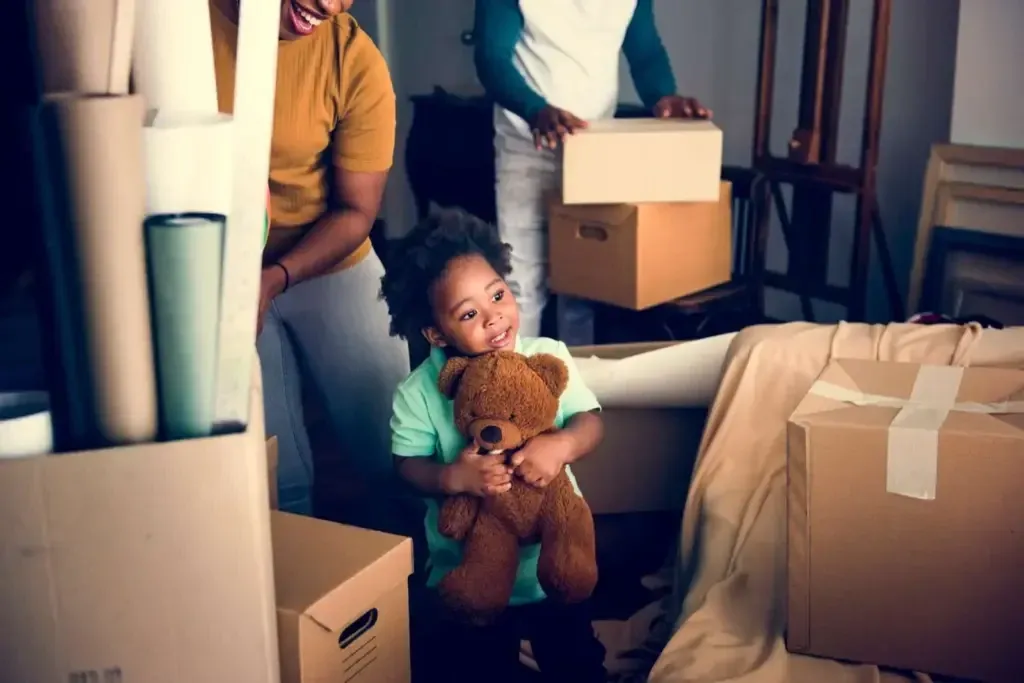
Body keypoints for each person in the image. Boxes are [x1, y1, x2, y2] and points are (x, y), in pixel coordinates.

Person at [379, 207, 607, 683]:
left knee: (576, 660)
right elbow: (406, 465)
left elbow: (591, 422)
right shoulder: (418, 392)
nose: (494, 317)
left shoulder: (546, 357)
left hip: (552, 561)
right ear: (436, 333)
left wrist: (562, 445)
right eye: (469, 314)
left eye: (498, 295)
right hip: (468, 569)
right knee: (479, 667)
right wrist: (451, 477)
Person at [210, 0, 410, 525]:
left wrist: (274, 278)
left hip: (328, 258)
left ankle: (415, 570)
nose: (330, 4)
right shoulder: (177, 27)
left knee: (397, 448)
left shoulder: (353, 59)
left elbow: (357, 211)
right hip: (215, 271)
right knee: (275, 476)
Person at [473, 0, 712, 345]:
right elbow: (491, 57)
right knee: (521, 282)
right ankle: (517, 377)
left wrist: (663, 96)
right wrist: (535, 109)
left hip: (592, 151)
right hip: (527, 146)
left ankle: (576, 378)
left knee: (582, 284)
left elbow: (645, 51)